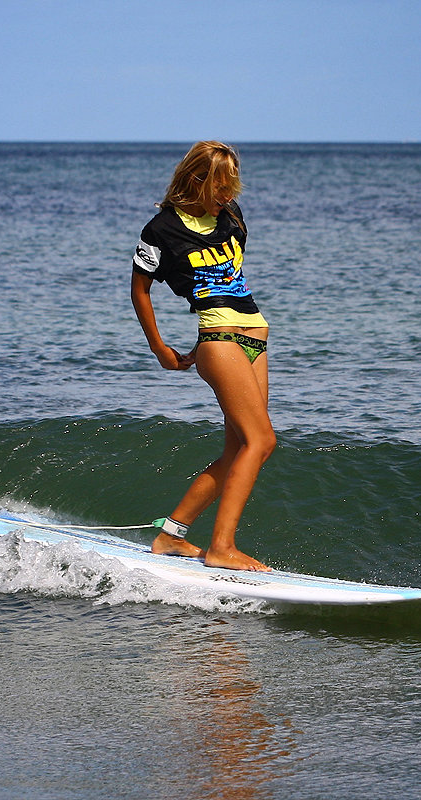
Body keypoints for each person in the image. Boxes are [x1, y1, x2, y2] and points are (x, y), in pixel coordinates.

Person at [130, 141, 275, 572]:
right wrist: (160, 348)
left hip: (254, 338)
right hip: (220, 339)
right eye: (220, 186)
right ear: (197, 180)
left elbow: (233, 280)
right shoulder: (161, 230)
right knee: (262, 440)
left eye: (232, 186)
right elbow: (140, 290)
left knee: (241, 448)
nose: (228, 195)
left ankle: (170, 536)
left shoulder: (232, 216)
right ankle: (222, 547)